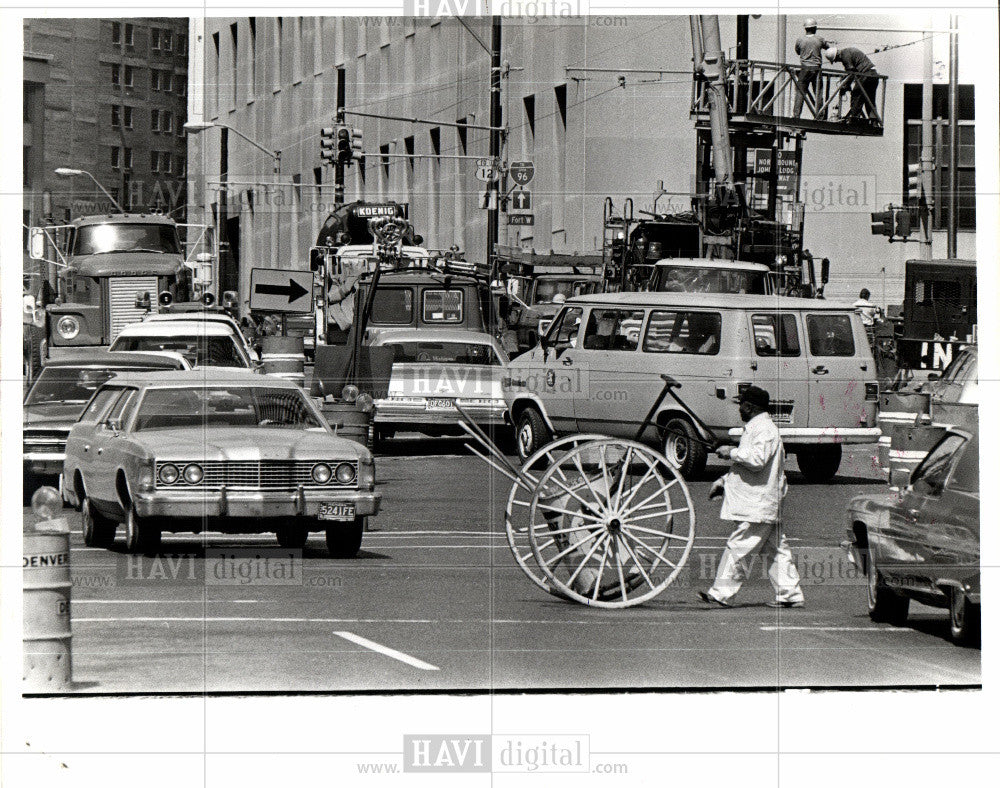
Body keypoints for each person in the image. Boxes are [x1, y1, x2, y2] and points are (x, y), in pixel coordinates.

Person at [698, 386, 805, 608]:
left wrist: (731, 452)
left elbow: (756, 461)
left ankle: (722, 593)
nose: (740, 409)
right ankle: (790, 594)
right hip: (761, 500)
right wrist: (724, 482)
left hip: (757, 503)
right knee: (776, 550)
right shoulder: (758, 427)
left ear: (750, 406)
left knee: (739, 546)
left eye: (742, 405)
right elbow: (749, 467)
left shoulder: (764, 429)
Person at [825, 46, 880, 122]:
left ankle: (854, 119)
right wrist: (846, 81)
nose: (837, 61)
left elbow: (851, 71)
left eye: (835, 60)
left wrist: (845, 85)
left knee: (856, 95)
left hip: (866, 74)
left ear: (837, 55)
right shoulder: (848, 51)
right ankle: (874, 121)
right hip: (873, 74)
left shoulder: (844, 55)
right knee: (869, 99)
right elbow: (851, 71)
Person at [793, 19, 831, 118]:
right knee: (818, 93)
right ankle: (820, 116)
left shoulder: (800, 40)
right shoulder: (819, 39)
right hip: (816, 69)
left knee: (800, 93)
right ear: (815, 28)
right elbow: (828, 48)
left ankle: (796, 115)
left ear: (805, 28)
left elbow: (797, 51)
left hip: (804, 69)